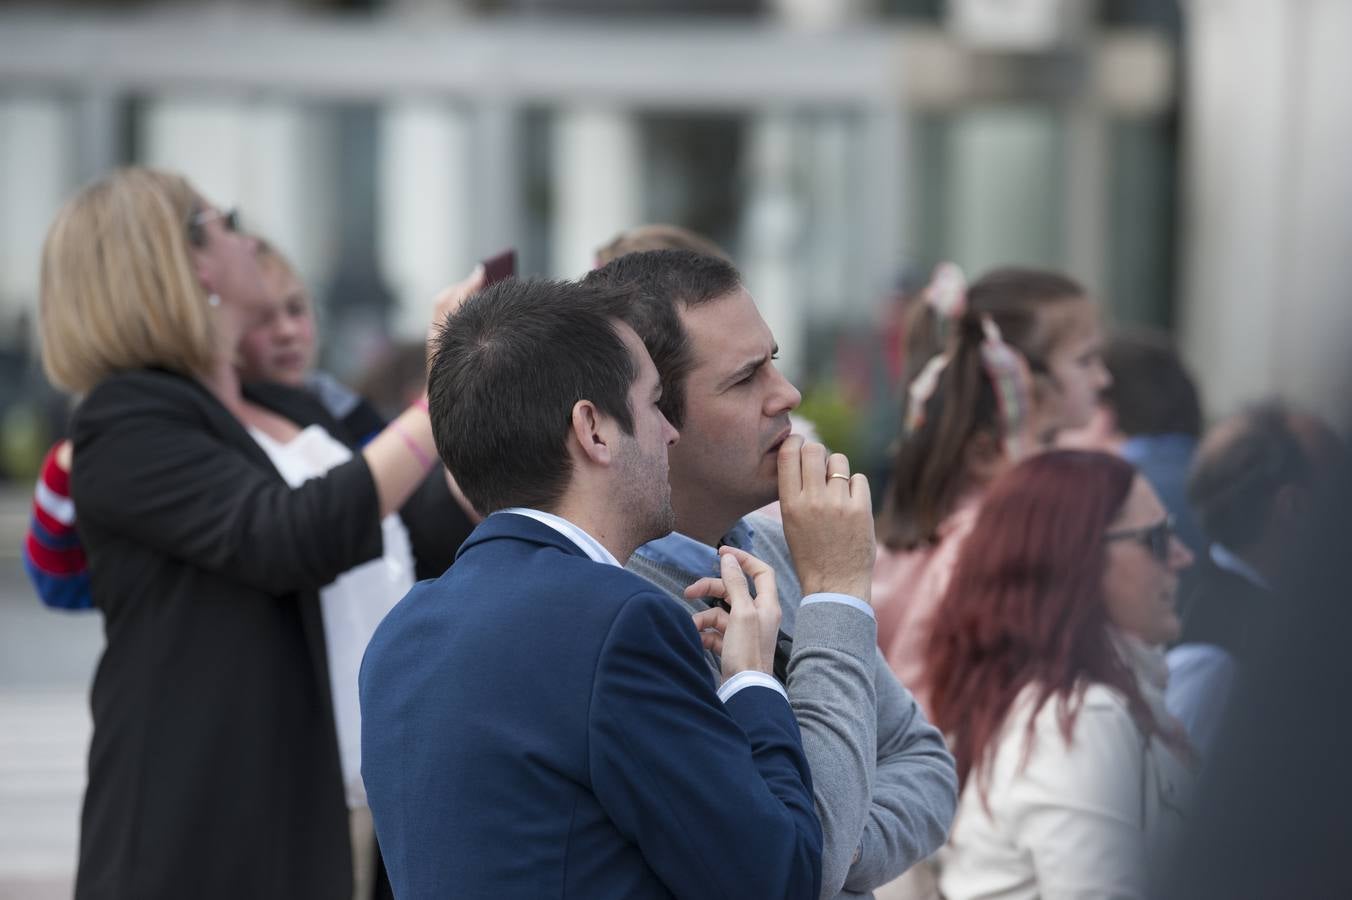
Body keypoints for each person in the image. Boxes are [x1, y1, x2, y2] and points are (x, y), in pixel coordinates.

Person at [36, 167, 475, 900]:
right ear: (186, 260)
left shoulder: (286, 401)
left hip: (346, 795)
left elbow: (402, 531)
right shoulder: (126, 421)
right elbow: (285, 538)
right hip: (208, 829)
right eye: (225, 221)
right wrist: (442, 395)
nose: (249, 238)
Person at [359, 276, 824, 898]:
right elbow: (777, 878)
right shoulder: (620, 621)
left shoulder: (400, 632)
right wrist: (752, 682)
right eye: (655, 402)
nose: (671, 432)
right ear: (593, 429)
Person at [584, 246, 958, 900]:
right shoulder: (620, 609)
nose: (787, 395)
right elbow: (791, 864)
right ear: (653, 418)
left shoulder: (775, 546)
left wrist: (831, 841)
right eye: (745, 378)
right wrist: (838, 593)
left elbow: (925, 764)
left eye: (774, 363)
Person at [23, 238, 476, 612]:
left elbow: (410, 513)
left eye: (297, 309)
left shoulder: (332, 407)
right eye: (262, 318)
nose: (287, 331)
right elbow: (59, 582)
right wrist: (73, 460)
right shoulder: (169, 431)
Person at [927, 450, 1195, 900]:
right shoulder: (1077, 717)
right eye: (1156, 539)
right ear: (1077, 556)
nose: (1182, 556)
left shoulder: (1063, 706)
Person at [873, 263, 1111, 713]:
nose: (1103, 378)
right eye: (1085, 360)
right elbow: (930, 705)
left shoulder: (935, 530)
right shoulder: (994, 546)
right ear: (1026, 385)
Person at [1166, 400, 1343, 755]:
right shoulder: (1214, 660)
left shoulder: (1285, 609)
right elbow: (1178, 795)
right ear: (1293, 506)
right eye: (1341, 484)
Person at [1059, 326, 1207, 555]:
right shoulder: (1211, 476)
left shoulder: (1111, 499)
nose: (1057, 442)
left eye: (1056, 426)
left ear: (1101, 415)